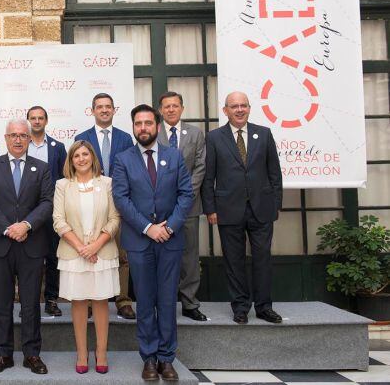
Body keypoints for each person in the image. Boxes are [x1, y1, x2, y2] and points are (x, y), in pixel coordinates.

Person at [112, 104, 193, 381]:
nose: (143, 128)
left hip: (170, 241)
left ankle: (167, 358)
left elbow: (186, 195)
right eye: (138, 124)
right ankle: (149, 357)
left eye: (148, 123)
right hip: (139, 242)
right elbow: (122, 199)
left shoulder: (174, 156)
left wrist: (168, 227)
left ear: (157, 126)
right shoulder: (123, 159)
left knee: (168, 300)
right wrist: (148, 228)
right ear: (133, 127)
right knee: (145, 301)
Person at [0, 119, 54, 376]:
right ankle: (3, 354)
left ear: (29, 138)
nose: (18, 139)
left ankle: (32, 354)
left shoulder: (41, 168)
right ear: (6, 138)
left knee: (31, 302)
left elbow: (47, 202)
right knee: (1, 303)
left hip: (31, 244)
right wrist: (8, 228)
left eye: (23, 135)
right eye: (13, 135)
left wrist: (26, 226)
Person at [202, 91, 283, 325]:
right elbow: (209, 177)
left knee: (263, 259)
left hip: (262, 208)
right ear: (225, 110)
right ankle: (240, 307)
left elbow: (274, 172)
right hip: (227, 209)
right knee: (233, 261)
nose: (239, 110)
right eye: (234, 106)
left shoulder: (264, 134)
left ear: (249, 108)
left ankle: (264, 307)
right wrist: (210, 209)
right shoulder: (214, 137)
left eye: (243, 106)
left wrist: (276, 204)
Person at [53, 140, 120, 374]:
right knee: (79, 302)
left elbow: (114, 218)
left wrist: (96, 245)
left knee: (101, 302)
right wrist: (82, 247)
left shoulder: (108, 183)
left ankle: (101, 352)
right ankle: (82, 353)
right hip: (74, 253)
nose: (81, 159)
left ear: (93, 157)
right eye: (76, 156)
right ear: (70, 161)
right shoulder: (63, 185)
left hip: (103, 253)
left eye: (85, 154)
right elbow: (58, 220)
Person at [75, 92, 135, 320]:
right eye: (99, 107)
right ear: (92, 111)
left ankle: (123, 301)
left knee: (121, 255)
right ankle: (89, 301)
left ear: (113, 110)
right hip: (89, 204)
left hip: (118, 203)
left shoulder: (125, 138)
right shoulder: (82, 137)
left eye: (108, 106)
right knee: (90, 252)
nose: (104, 110)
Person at [157, 92, 207, 321]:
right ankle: (162, 302)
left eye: (175, 106)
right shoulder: (152, 133)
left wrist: (185, 195)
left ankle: (189, 302)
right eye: (166, 106)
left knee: (189, 255)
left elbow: (200, 167)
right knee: (161, 256)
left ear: (182, 108)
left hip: (189, 206)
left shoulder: (195, 134)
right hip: (160, 207)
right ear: (160, 110)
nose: (171, 110)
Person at [27, 105, 67, 317]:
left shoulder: (58, 147)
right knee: (29, 259)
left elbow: (64, 178)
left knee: (53, 257)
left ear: (46, 121)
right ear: (28, 121)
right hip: (26, 212)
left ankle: (51, 299)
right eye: (33, 118)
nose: (36, 121)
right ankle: (29, 303)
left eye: (40, 118)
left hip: (52, 211)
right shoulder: (21, 145)